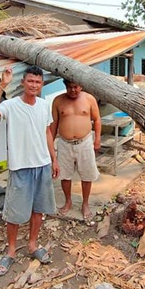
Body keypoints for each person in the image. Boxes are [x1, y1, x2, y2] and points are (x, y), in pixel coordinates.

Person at [0, 65, 60, 276]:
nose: (34, 85)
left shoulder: (44, 106)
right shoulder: (11, 105)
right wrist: (2, 85)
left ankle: (33, 245)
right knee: (15, 213)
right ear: (23, 83)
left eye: (38, 82)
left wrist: (54, 159)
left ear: (41, 85)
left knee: (38, 209)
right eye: (30, 81)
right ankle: (11, 251)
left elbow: (47, 132)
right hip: (21, 167)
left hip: (42, 165)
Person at [50, 79, 102, 225]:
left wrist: (97, 140)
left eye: (75, 87)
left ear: (81, 85)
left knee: (87, 174)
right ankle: (68, 201)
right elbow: (53, 125)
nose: (73, 90)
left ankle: (85, 204)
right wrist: (50, 146)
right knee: (64, 175)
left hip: (84, 142)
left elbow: (97, 120)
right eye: (69, 87)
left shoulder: (89, 99)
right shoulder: (58, 101)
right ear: (65, 86)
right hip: (64, 143)